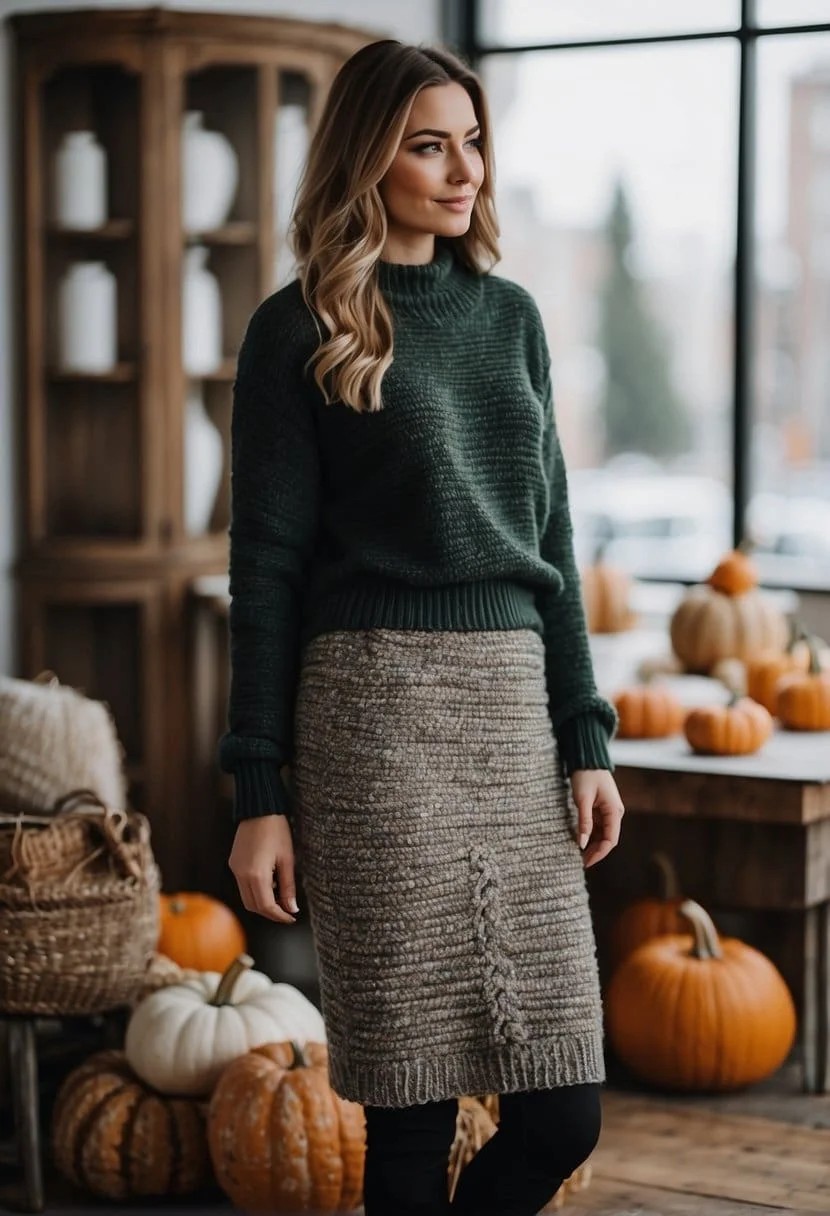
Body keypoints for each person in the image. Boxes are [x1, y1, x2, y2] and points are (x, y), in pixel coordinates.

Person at [217, 38, 625, 1216]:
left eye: (473, 141)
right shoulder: (296, 330)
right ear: (367, 159)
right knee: (407, 1117)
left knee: (560, 1110)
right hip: (373, 730)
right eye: (429, 144)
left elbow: (552, 543)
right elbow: (267, 570)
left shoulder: (510, 319)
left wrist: (583, 736)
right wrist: (259, 791)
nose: (465, 171)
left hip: (508, 724)